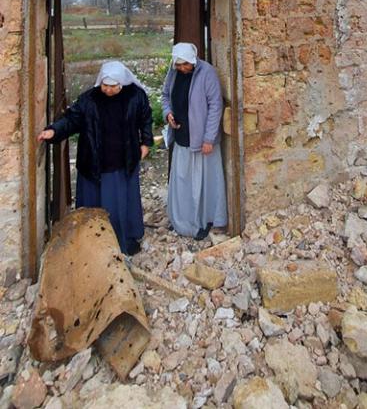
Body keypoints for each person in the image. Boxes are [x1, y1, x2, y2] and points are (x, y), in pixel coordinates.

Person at [37, 60, 153, 256]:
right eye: (105, 86)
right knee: (94, 207)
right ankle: (93, 244)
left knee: (118, 206)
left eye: (113, 87)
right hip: (94, 161)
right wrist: (53, 131)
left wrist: (146, 142)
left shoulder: (135, 96)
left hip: (121, 162)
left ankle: (121, 240)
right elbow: (72, 120)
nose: (108, 90)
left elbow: (145, 119)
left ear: (121, 84)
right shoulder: (89, 100)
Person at [162, 42, 227, 240]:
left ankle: (207, 220)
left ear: (193, 60)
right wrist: (168, 114)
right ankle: (183, 220)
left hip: (202, 141)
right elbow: (165, 95)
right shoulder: (173, 73)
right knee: (183, 180)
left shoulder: (207, 73)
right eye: (178, 64)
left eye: (185, 65)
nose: (182, 68)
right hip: (182, 137)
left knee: (204, 182)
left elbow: (216, 105)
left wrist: (209, 138)